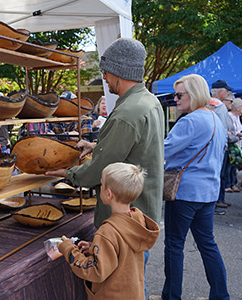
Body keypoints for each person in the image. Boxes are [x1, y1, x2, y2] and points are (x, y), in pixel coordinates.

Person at [46, 38, 164, 298]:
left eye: (106, 72)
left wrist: (68, 174)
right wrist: (97, 144)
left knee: (120, 286)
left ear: (119, 73)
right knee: (136, 280)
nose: (105, 79)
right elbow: (134, 146)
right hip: (142, 212)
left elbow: (102, 167)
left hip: (126, 215)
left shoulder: (126, 114)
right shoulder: (150, 102)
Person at [161, 74, 229, 300]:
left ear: (194, 94)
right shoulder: (216, 120)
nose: (175, 100)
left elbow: (163, 150)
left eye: (179, 95)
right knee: (208, 245)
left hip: (184, 192)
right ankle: (220, 295)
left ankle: (172, 296)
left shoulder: (190, 120)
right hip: (208, 193)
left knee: (174, 246)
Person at [57, 162, 159, 300]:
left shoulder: (107, 232)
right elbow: (122, 252)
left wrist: (68, 249)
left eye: (101, 185)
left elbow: (95, 271)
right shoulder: (138, 219)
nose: (100, 188)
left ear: (109, 193)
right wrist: (94, 247)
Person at [210, 80, 234, 213]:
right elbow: (222, 129)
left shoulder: (207, 104)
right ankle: (216, 201)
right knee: (220, 174)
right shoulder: (220, 106)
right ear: (219, 91)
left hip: (211, 146)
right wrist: (224, 145)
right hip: (219, 146)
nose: (228, 93)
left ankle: (217, 200)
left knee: (218, 175)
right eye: (226, 90)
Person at [226, 98, 242, 193]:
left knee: (234, 166)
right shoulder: (229, 116)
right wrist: (239, 134)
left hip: (238, 144)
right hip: (232, 145)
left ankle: (233, 184)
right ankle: (228, 184)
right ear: (237, 108)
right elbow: (231, 131)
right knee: (229, 165)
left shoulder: (238, 118)